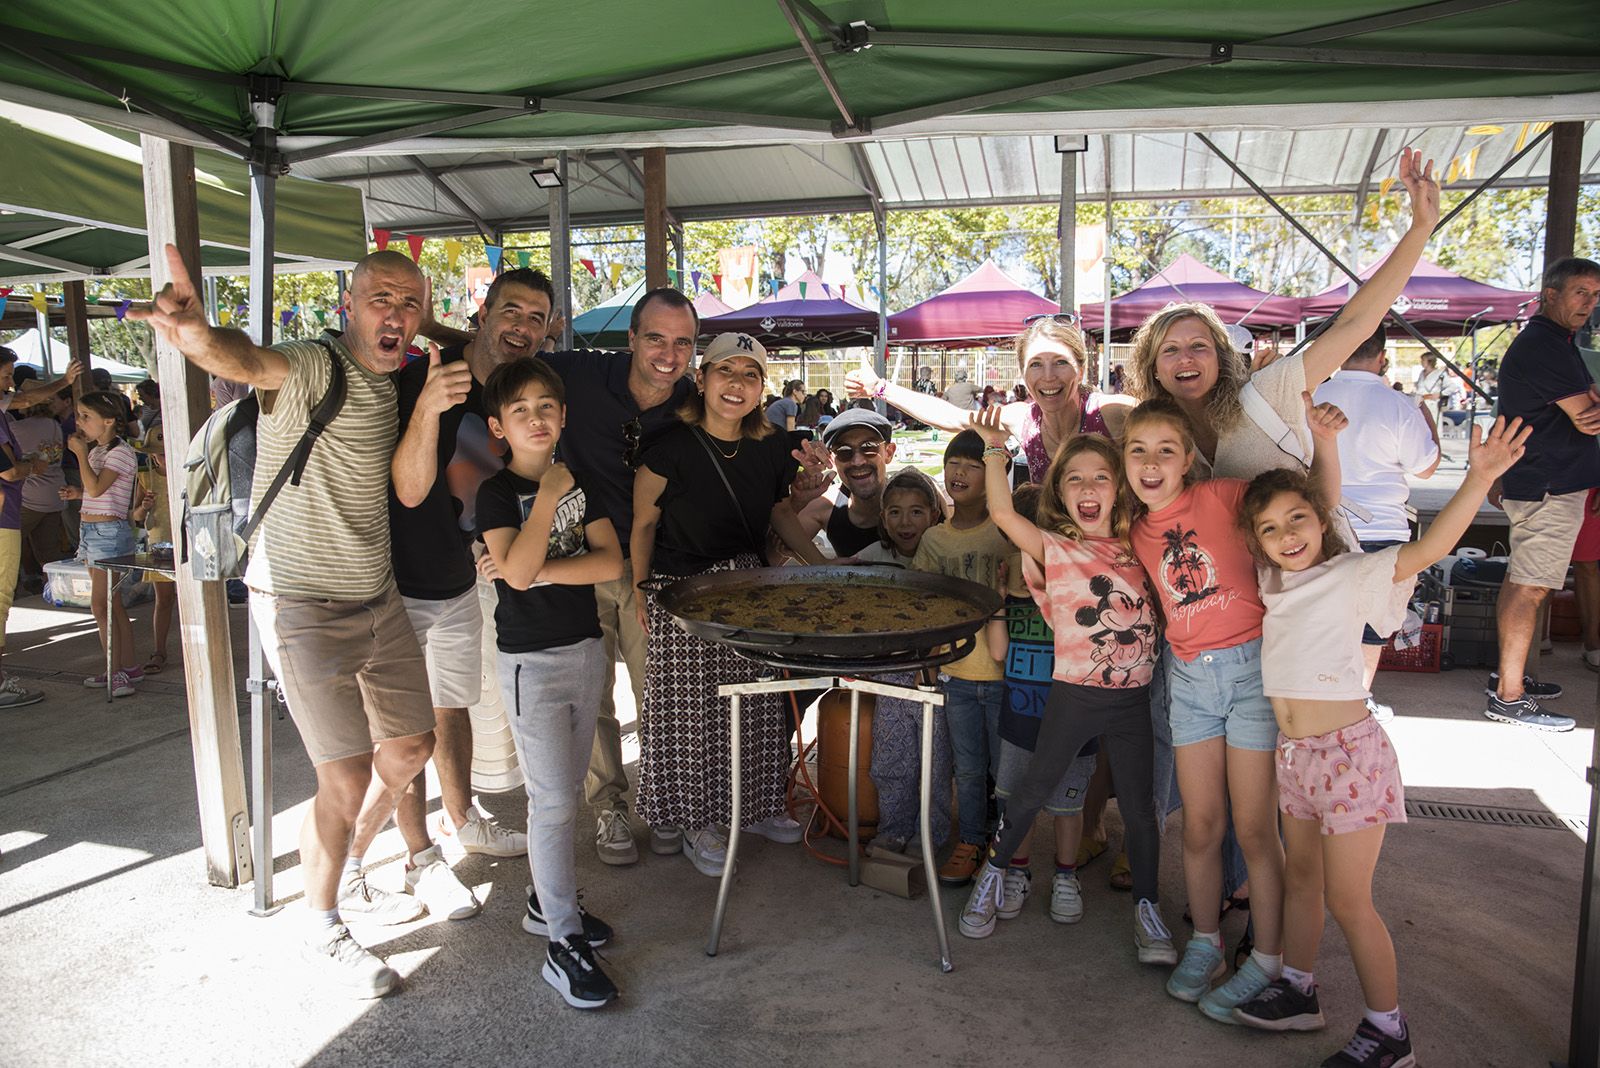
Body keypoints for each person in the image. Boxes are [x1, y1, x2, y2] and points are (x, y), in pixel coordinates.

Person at [132, 245, 438, 998]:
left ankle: (354, 861)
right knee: (344, 777)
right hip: (299, 599)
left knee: (410, 747)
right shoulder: (312, 364)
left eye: (408, 303)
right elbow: (247, 359)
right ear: (349, 307)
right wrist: (198, 336)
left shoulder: (400, 383)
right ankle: (322, 924)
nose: (394, 315)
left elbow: (408, 487)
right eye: (380, 299)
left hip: (377, 593)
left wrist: (434, 398)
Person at [1232, 411, 1530, 1068]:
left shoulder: (1353, 574)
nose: (1287, 535)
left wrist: (1477, 480)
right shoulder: (1275, 580)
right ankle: (1300, 989)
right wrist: (1327, 447)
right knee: (1301, 880)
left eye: (1298, 520)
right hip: (1297, 759)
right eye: (1270, 528)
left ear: (1322, 521)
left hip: (1349, 759)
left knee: (1347, 898)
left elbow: (1427, 550)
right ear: (1256, 542)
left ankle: (1389, 1031)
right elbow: (1311, 500)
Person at [423, 288, 699, 867]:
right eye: (655, 337)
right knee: (592, 697)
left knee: (661, 693)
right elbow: (509, 356)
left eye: (682, 342)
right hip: (581, 557)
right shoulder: (582, 371)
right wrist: (439, 330)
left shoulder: (691, 399)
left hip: (654, 564)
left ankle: (668, 802)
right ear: (632, 339)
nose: (667, 354)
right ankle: (610, 808)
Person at [1124, 396, 1352, 1021]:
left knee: (1255, 828)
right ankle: (1205, 940)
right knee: (1200, 826)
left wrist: (1325, 443)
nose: (1151, 463)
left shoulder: (1224, 496)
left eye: (1166, 450)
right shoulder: (1133, 531)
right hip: (1190, 680)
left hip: (1254, 672)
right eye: (1137, 451)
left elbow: (1309, 513)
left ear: (1188, 459)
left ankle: (1269, 958)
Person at [355, 269, 549, 906]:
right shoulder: (424, 377)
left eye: (536, 317)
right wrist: (429, 404)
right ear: (483, 312)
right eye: (510, 311)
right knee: (403, 728)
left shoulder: (519, 393)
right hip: (395, 582)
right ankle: (418, 859)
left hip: (459, 581)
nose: (520, 326)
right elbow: (407, 488)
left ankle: (461, 819)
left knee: (452, 707)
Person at [960, 420, 1174, 963]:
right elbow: (1005, 514)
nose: (1087, 489)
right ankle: (993, 873)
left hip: (1133, 699)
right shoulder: (1055, 548)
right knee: (1032, 792)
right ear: (1059, 492)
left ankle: (1148, 911)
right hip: (1074, 694)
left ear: (1120, 488)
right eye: (1073, 479)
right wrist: (992, 452)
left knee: (1142, 809)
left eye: (1100, 478)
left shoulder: (1142, 545)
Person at [631, 333, 826, 876]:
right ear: (702, 378)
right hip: (684, 590)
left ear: (762, 388)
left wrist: (818, 564)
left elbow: (780, 514)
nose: (736, 384)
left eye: (750, 374)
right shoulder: (669, 447)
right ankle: (700, 820)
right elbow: (643, 523)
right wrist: (642, 589)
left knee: (760, 705)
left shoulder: (769, 447)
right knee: (694, 713)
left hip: (750, 592)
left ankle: (759, 804)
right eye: (725, 371)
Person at [477, 355, 624, 1009]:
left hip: (585, 651)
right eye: (520, 411)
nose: (535, 419)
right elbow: (512, 568)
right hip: (528, 665)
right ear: (498, 427)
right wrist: (544, 501)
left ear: (563, 416)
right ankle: (562, 943)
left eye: (546, 407)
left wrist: (529, 570)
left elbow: (608, 561)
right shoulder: (495, 493)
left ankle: (547, 899)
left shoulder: (583, 479)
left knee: (567, 793)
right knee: (554, 801)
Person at [974, 480, 1110, 931]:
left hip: (1073, 720)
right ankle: (1017, 871)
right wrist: (998, 602)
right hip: (1019, 720)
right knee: (1016, 800)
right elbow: (997, 652)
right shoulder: (1009, 596)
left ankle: (1065, 877)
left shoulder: (1080, 591)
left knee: (1068, 804)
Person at [1484, 256, 1600, 732]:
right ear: (1550, 293)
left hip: (1545, 480)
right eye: (1581, 293)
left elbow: (1589, 400)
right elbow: (1589, 415)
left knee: (1522, 583)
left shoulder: (1557, 342)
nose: (1590, 304)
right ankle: (1510, 698)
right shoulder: (1544, 346)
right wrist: (1589, 404)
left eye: (1595, 296)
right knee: (1530, 587)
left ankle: (1509, 681)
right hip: (1548, 485)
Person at [1313, 324, 1442, 717]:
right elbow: (1427, 467)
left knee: (1325, 620)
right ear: (1382, 357)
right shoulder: (1398, 404)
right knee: (1373, 624)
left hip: (1323, 524)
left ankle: (1321, 694)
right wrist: (1424, 413)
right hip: (1384, 529)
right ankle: (1358, 699)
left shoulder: (1314, 395)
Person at [912, 429, 1018, 886]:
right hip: (955, 678)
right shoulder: (934, 540)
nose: (959, 471)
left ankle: (1008, 848)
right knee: (969, 769)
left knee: (1005, 772)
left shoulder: (1007, 534)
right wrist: (929, 668)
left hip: (1003, 677)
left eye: (974, 465)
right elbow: (924, 608)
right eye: (954, 461)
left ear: (996, 474)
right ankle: (972, 838)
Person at [848, 315, 1132, 484]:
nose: (1048, 377)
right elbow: (951, 417)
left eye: (1060, 362)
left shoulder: (1112, 412)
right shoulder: (1023, 418)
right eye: (1035, 364)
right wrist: (879, 387)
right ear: (1022, 372)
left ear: (1080, 370)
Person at [853, 468, 954, 856]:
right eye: (894, 512)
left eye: (916, 512)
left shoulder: (945, 551)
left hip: (937, 672)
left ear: (934, 513)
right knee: (891, 756)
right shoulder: (874, 558)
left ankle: (932, 832)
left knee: (935, 758)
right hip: (890, 674)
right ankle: (894, 828)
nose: (904, 522)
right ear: (883, 518)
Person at [62, 390, 141, 698]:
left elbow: (96, 488)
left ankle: (117, 671)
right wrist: (76, 493)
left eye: (86, 417)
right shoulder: (99, 451)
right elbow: (98, 491)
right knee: (112, 605)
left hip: (109, 533)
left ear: (108, 421)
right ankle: (127, 665)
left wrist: (80, 455)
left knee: (101, 606)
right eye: (79, 415)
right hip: (93, 531)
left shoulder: (118, 452)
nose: (79, 422)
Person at [785, 407, 898, 557]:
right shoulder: (826, 505)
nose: (857, 461)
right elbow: (773, 555)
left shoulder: (920, 498)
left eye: (868, 447)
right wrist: (795, 504)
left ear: (888, 453)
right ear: (832, 458)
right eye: (844, 451)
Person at [10, 391, 72, 595]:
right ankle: (56, 591)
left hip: (31, 495)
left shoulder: (17, 428)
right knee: (48, 551)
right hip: (55, 493)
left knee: (8, 543)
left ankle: (11, 591)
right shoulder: (54, 425)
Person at [129, 424, 177, 676]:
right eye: (159, 453)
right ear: (151, 455)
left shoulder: (187, 472)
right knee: (164, 599)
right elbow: (135, 517)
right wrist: (145, 507)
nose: (164, 458)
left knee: (201, 598)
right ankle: (159, 651)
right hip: (159, 545)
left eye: (167, 452)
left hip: (190, 541)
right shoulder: (145, 478)